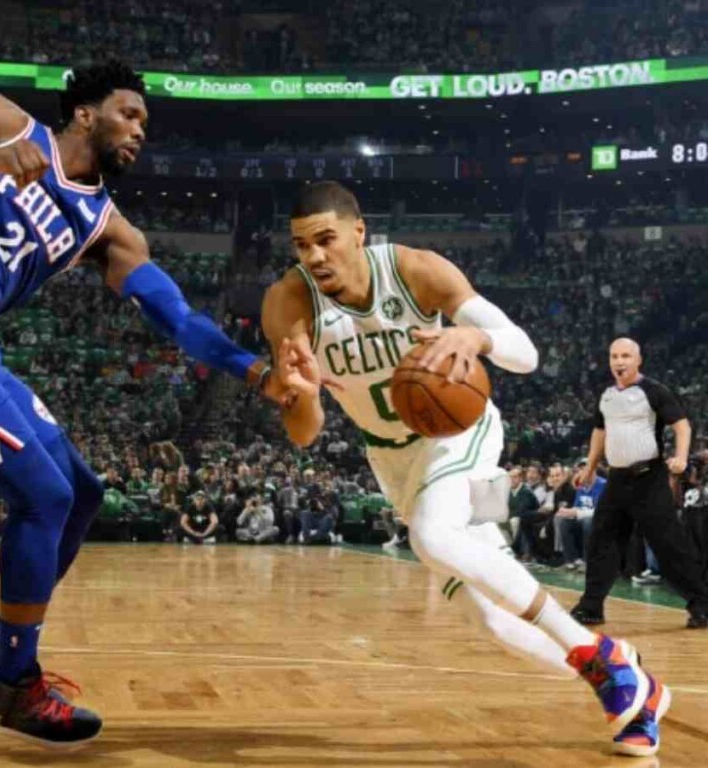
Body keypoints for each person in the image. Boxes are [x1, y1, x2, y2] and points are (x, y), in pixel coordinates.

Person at [0, 61, 292, 747]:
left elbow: (180, 320)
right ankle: (12, 687)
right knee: (42, 495)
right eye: (129, 113)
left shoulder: (109, 229)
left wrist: (257, 372)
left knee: (80, 491)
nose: (140, 130)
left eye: (145, 123)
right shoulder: (2, 122)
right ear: (86, 114)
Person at [261, 181, 668, 757]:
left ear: (359, 232)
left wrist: (473, 336)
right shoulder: (289, 303)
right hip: (392, 460)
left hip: (466, 436)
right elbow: (305, 432)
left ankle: (601, 656)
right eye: (303, 246)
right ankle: (633, 686)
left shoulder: (416, 271)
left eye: (326, 240)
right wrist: (300, 393)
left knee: (433, 537)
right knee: (497, 625)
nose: (315, 257)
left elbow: (525, 352)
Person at [571, 338, 708, 630]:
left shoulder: (654, 391)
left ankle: (702, 605)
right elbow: (599, 431)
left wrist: (681, 457)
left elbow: (681, 425)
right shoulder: (606, 395)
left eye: (625, 356)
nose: (619, 362)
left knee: (669, 545)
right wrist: (591, 468)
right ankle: (591, 607)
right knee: (601, 541)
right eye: (614, 356)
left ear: (638, 360)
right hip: (617, 480)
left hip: (650, 478)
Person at [555, 463, 603, 570]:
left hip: (602, 520)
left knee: (587, 521)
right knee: (564, 521)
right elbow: (577, 506)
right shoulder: (581, 486)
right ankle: (572, 560)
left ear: (593, 471)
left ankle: (588, 562)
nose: (581, 472)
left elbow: (600, 511)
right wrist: (567, 511)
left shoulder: (603, 485)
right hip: (584, 518)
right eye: (579, 470)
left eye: (584, 469)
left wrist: (577, 513)